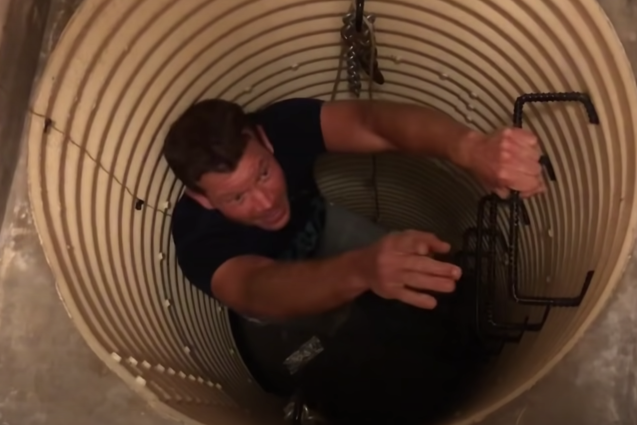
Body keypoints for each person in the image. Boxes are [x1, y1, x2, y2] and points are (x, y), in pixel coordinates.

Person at [163, 97, 545, 329]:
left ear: (264, 140)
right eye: (236, 198)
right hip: (281, 294)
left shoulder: (281, 127)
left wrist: (467, 146)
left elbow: (371, 122)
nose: (265, 203)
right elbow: (256, 289)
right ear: (205, 200)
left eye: (263, 173)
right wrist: (362, 270)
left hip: (324, 226)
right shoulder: (197, 239)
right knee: (323, 334)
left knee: (418, 272)